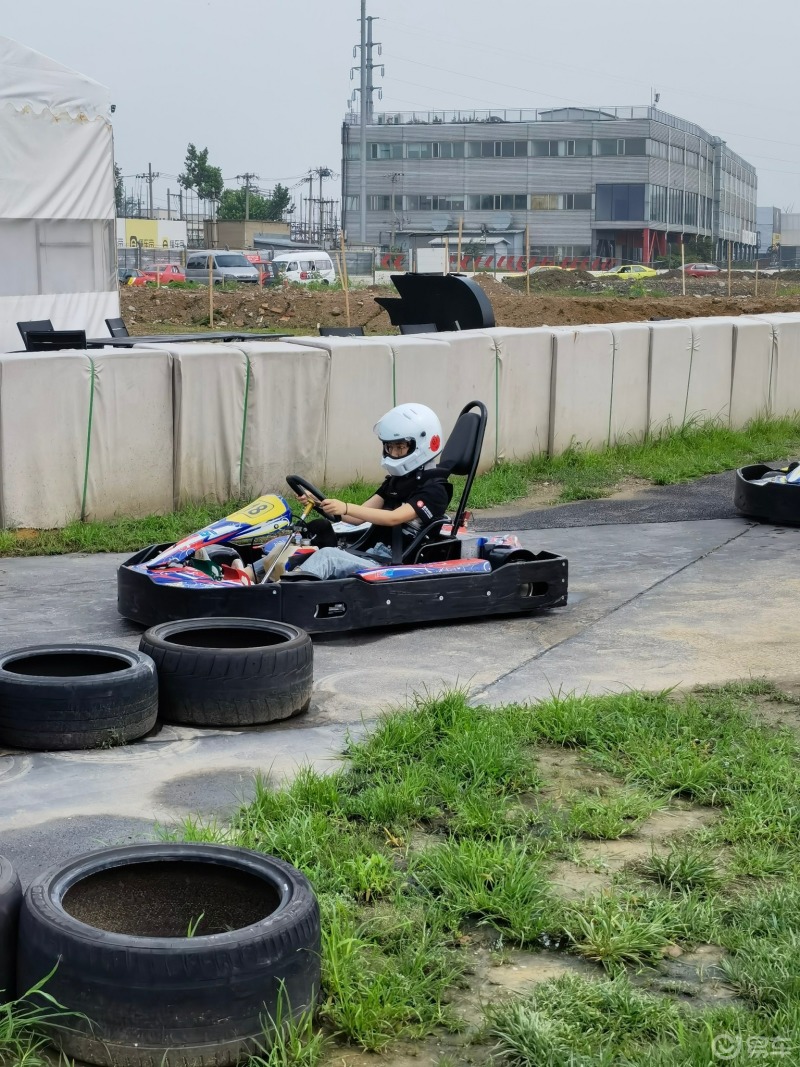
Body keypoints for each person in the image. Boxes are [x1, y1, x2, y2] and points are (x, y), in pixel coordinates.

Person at [289, 402, 452, 580]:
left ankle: (286, 593)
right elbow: (357, 518)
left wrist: (345, 506)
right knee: (310, 535)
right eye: (390, 447)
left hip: (391, 564)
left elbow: (393, 518)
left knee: (328, 556)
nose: (394, 453)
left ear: (423, 445)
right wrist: (320, 503)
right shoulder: (397, 483)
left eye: (400, 447)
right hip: (371, 552)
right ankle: (256, 576)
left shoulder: (435, 489)